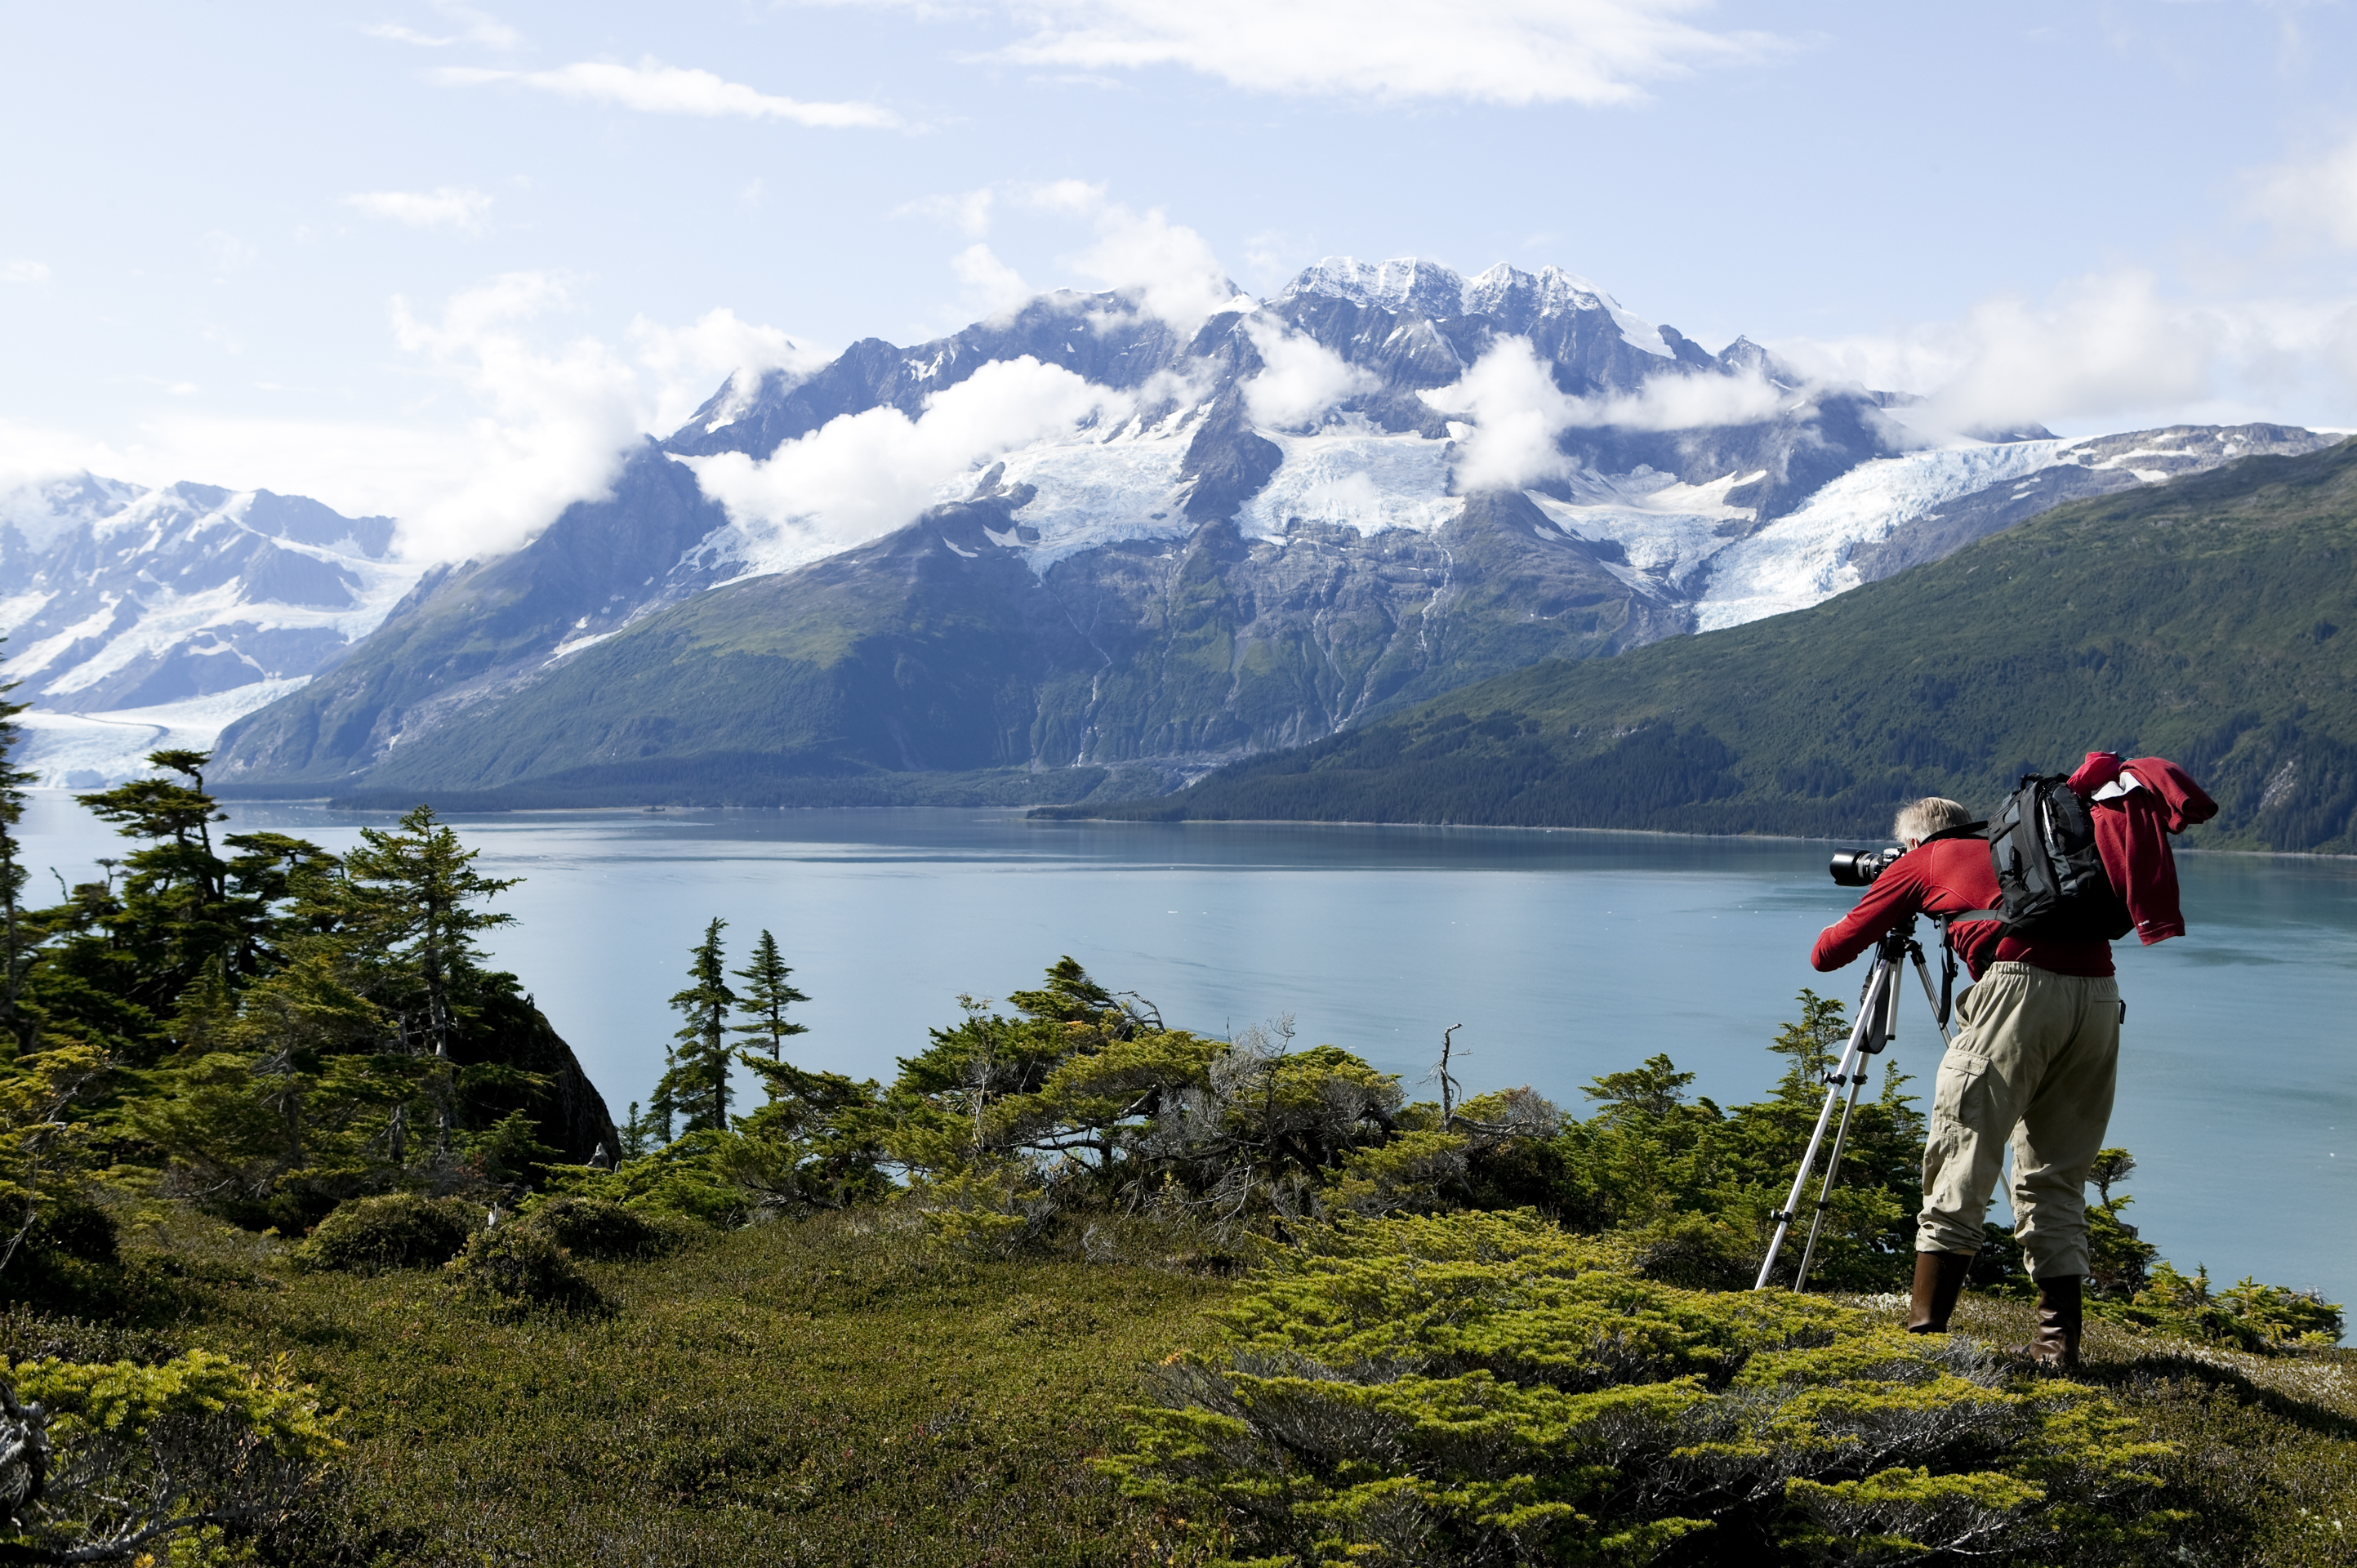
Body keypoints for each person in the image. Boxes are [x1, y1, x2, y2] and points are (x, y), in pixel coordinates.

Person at [1810, 795, 2122, 1371]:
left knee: (1961, 1157)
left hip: (2019, 995)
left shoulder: (1922, 861)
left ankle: (1924, 1338)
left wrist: (1897, 885)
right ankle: (2056, 1348)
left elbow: (1827, 953)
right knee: (2054, 1178)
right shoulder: (2021, 857)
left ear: (1913, 842)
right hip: (2101, 997)